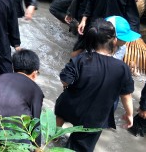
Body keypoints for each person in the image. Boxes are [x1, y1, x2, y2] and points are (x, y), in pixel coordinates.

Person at [54, 19, 134, 152]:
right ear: (114, 41)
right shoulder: (122, 68)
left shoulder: (81, 58)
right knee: (80, 146)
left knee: (62, 109)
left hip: (72, 106)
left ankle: (54, 134)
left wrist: (70, 85)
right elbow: (126, 95)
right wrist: (129, 114)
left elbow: (65, 79)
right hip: (94, 118)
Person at [0, 49, 43, 150]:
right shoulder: (36, 91)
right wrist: (38, 147)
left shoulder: (3, 76)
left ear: (13, 67)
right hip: (8, 132)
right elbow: (35, 123)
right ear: (34, 73)